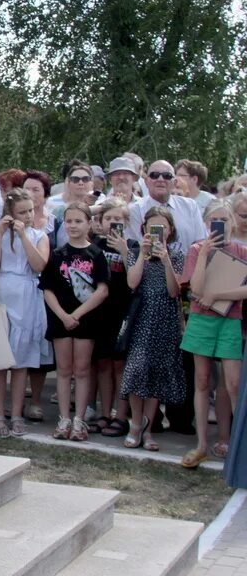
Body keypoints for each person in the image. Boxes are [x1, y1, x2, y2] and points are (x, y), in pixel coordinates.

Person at [179, 201, 247, 468]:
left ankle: (237, 444)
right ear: (206, 224)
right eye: (214, 221)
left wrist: (218, 294)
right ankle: (202, 445)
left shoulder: (241, 250)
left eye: (224, 220)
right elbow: (195, 287)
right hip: (201, 320)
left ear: (232, 222)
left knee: (233, 385)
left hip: (230, 320)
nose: (219, 225)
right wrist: (205, 253)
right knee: (203, 381)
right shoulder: (197, 249)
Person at [0, 188, 49, 437]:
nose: (28, 216)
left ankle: (18, 413)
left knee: (21, 362)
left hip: (27, 297)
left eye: (30, 210)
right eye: (22, 212)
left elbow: (39, 265)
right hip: (1, 295)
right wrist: (0, 233)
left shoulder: (39, 236)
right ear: (10, 213)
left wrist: (23, 237)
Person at [39, 203, 110, 442]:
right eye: (69, 221)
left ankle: (79, 419)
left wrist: (77, 315)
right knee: (64, 370)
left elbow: (101, 290)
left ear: (89, 223)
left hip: (86, 320)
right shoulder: (57, 254)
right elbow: (47, 290)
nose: (73, 226)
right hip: (61, 320)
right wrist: (63, 315)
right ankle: (64, 418)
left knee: (81, 370)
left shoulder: (96, 254)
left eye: (78, 221)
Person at [121, 206, 186, 451]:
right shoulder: (135, 252)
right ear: (144, 229)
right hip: (141, 317)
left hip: (165, 320)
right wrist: (143, 254)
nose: (158, 232)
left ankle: (148, 430)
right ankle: (135, 424)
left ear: (170, 231)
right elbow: (132, 282)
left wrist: (166, 258)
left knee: (157, 375)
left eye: (162, 228)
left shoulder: (177, 256)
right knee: (137, 371)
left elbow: (174, 291)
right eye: (152, 227)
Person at [92, 198, 136, 439]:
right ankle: (104, 412)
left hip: (123, 312)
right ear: (101, 221)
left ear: (126, 222)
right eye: (108, 218)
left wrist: (125, 252)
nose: (113, 223)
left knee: (120, 365)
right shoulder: (95, 244)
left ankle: (121, 415)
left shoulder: (133, 246)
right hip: (99, 311)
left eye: (118, 219)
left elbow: (135, 280)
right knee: (102, 364)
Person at [128, 160, 206, 250]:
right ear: (146, 182)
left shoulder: (190, 206)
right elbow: (135, 249)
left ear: (175, 182)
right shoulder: (135, 210)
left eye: (167, 176)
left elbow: (200, 243)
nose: (160, 179)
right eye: (154, 175)